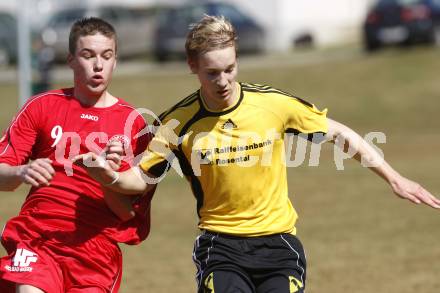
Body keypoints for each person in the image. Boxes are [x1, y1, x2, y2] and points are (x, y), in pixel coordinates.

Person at [74, 15, 440, 293]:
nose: (224, 81)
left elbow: (340, 134)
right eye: (212, 73)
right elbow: (138, 179)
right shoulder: (177, 121)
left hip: (279, 243)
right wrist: (106, 175)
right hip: (221, 246)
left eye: (230, 69)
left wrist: (395, 178)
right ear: (193, 67)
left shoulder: (273, 103)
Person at [0, 17, 152, 293]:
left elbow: (127, 214)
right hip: (39, 236)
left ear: (115, 60)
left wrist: (107, 176)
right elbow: (3, 175)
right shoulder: (42, 106)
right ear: (70, 60)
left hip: (94, 249)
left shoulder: (135, 125)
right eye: (87, 55)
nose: (98, 65)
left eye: (106, 56)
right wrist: (20, 171)